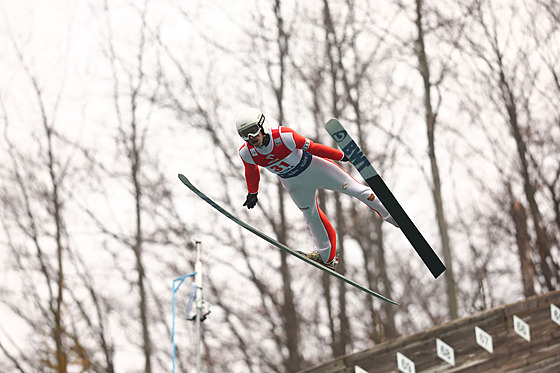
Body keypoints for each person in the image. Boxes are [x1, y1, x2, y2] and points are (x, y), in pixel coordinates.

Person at [236, 108, 398, 270]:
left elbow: (313, 147)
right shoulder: (246, 153)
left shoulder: (284, 136)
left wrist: (341, 156)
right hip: (293, 183)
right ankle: (326, 257)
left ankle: (392, 214)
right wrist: (253, 192)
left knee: (356, 190)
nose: (251, 137)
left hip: (315, 169)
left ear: (261, 126)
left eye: (253, 131)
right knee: (311, 215)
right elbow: (251, 171)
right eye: (245, 135)